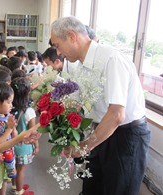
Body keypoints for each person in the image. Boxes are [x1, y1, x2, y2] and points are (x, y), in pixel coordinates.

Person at [51, 16, 151, 195]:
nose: (58, 53)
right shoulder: (81, 67)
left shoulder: (110, 59)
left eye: (58, 45)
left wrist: (83, 146)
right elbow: (75, 104)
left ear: (72, 36)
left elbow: (116, 115)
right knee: (92, 187)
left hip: (125, 136)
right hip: (101, 131)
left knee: (119, 190)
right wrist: (51, 125)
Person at [10, 77, 39, 195]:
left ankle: (14, 185)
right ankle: (19, 190)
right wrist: (36, 146)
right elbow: (33, 132)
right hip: (23, 146)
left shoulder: (8, 108)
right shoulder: (29, 111)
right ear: (28, 93)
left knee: (13, 167)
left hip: (10, 144)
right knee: (21, 170)